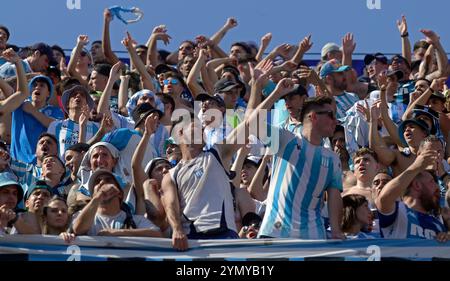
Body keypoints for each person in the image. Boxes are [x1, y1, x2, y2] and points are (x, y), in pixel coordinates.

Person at [375, 148, 447, 239]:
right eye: (432, 182)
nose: (437, 187)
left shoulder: (439, 226)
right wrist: (416, 167)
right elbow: (384, 198)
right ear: (417, 185)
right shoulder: (398, 211)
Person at [72, 169, 162, 237]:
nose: (102, 182)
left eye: (108, 180)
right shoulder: (81, 215)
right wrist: (97, 197)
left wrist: (118, 233)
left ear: (119, 193)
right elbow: (78, 229)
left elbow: (157, 234)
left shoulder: (135, 220)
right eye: (97, 181)